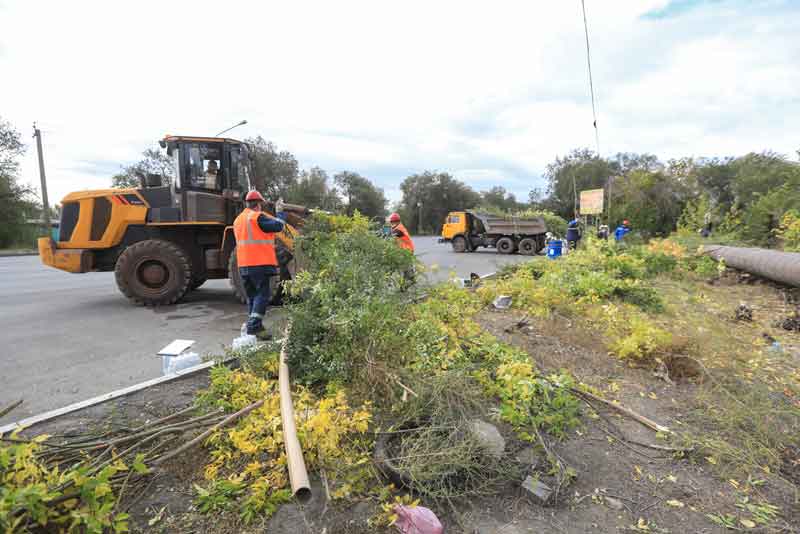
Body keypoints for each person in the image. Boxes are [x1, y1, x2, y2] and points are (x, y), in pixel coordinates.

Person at [233, 190, 286, 340]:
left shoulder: (238, 220)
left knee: (252, 297)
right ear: (258, 204)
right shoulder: (257, 217)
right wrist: (280, 212)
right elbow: (279, 227)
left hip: (243, 265)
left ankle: (255, 326)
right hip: (259, 263)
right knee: (263, 295)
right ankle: (253, 326)